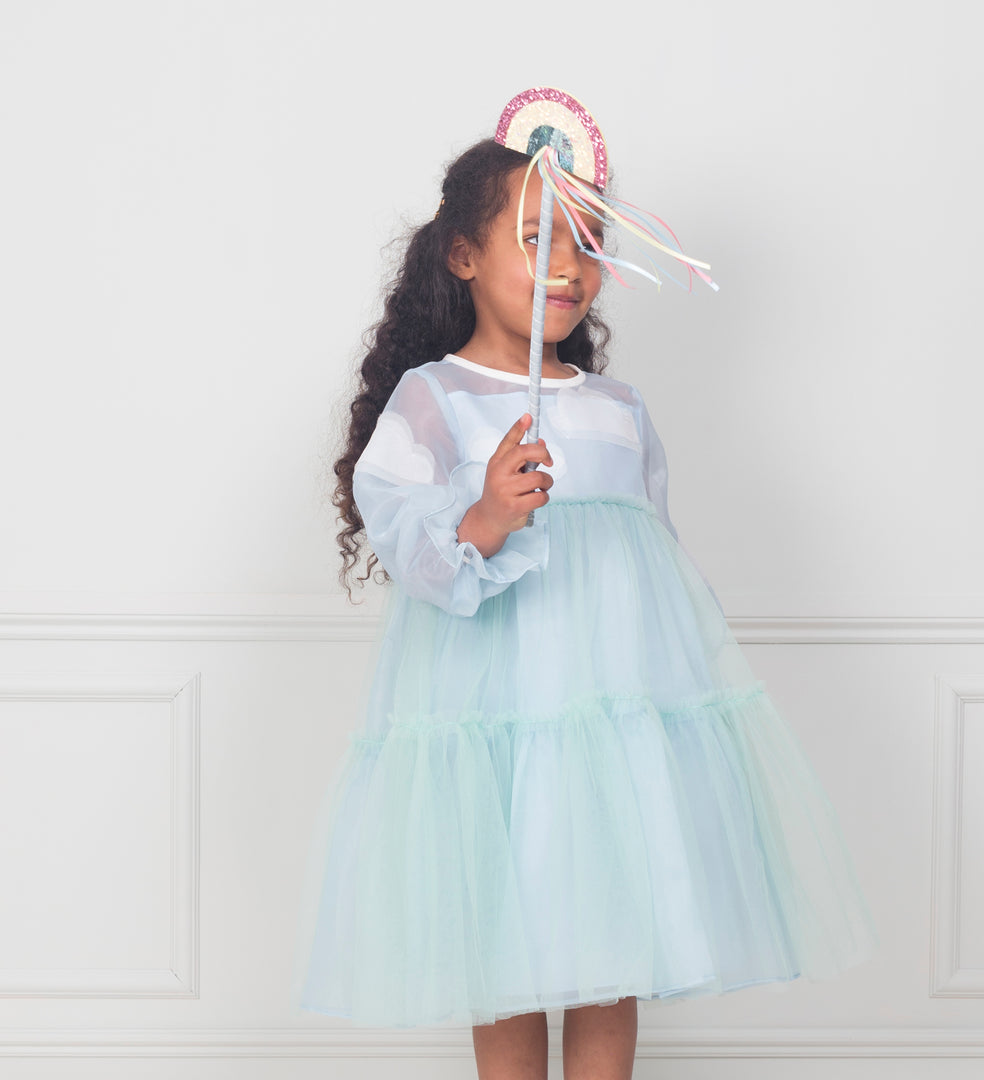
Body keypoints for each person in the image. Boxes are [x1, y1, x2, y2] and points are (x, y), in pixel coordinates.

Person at [296, 136, 878, 1080]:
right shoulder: (436, 398)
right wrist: (486, 514)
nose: (568, 267)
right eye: (538, 238)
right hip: (499, 724)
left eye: (589, 244)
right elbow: (404, 532)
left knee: (615, 946)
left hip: (611, 726)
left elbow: (657, 561)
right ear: (463, 254)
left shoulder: (619, 410)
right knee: (506, 949)